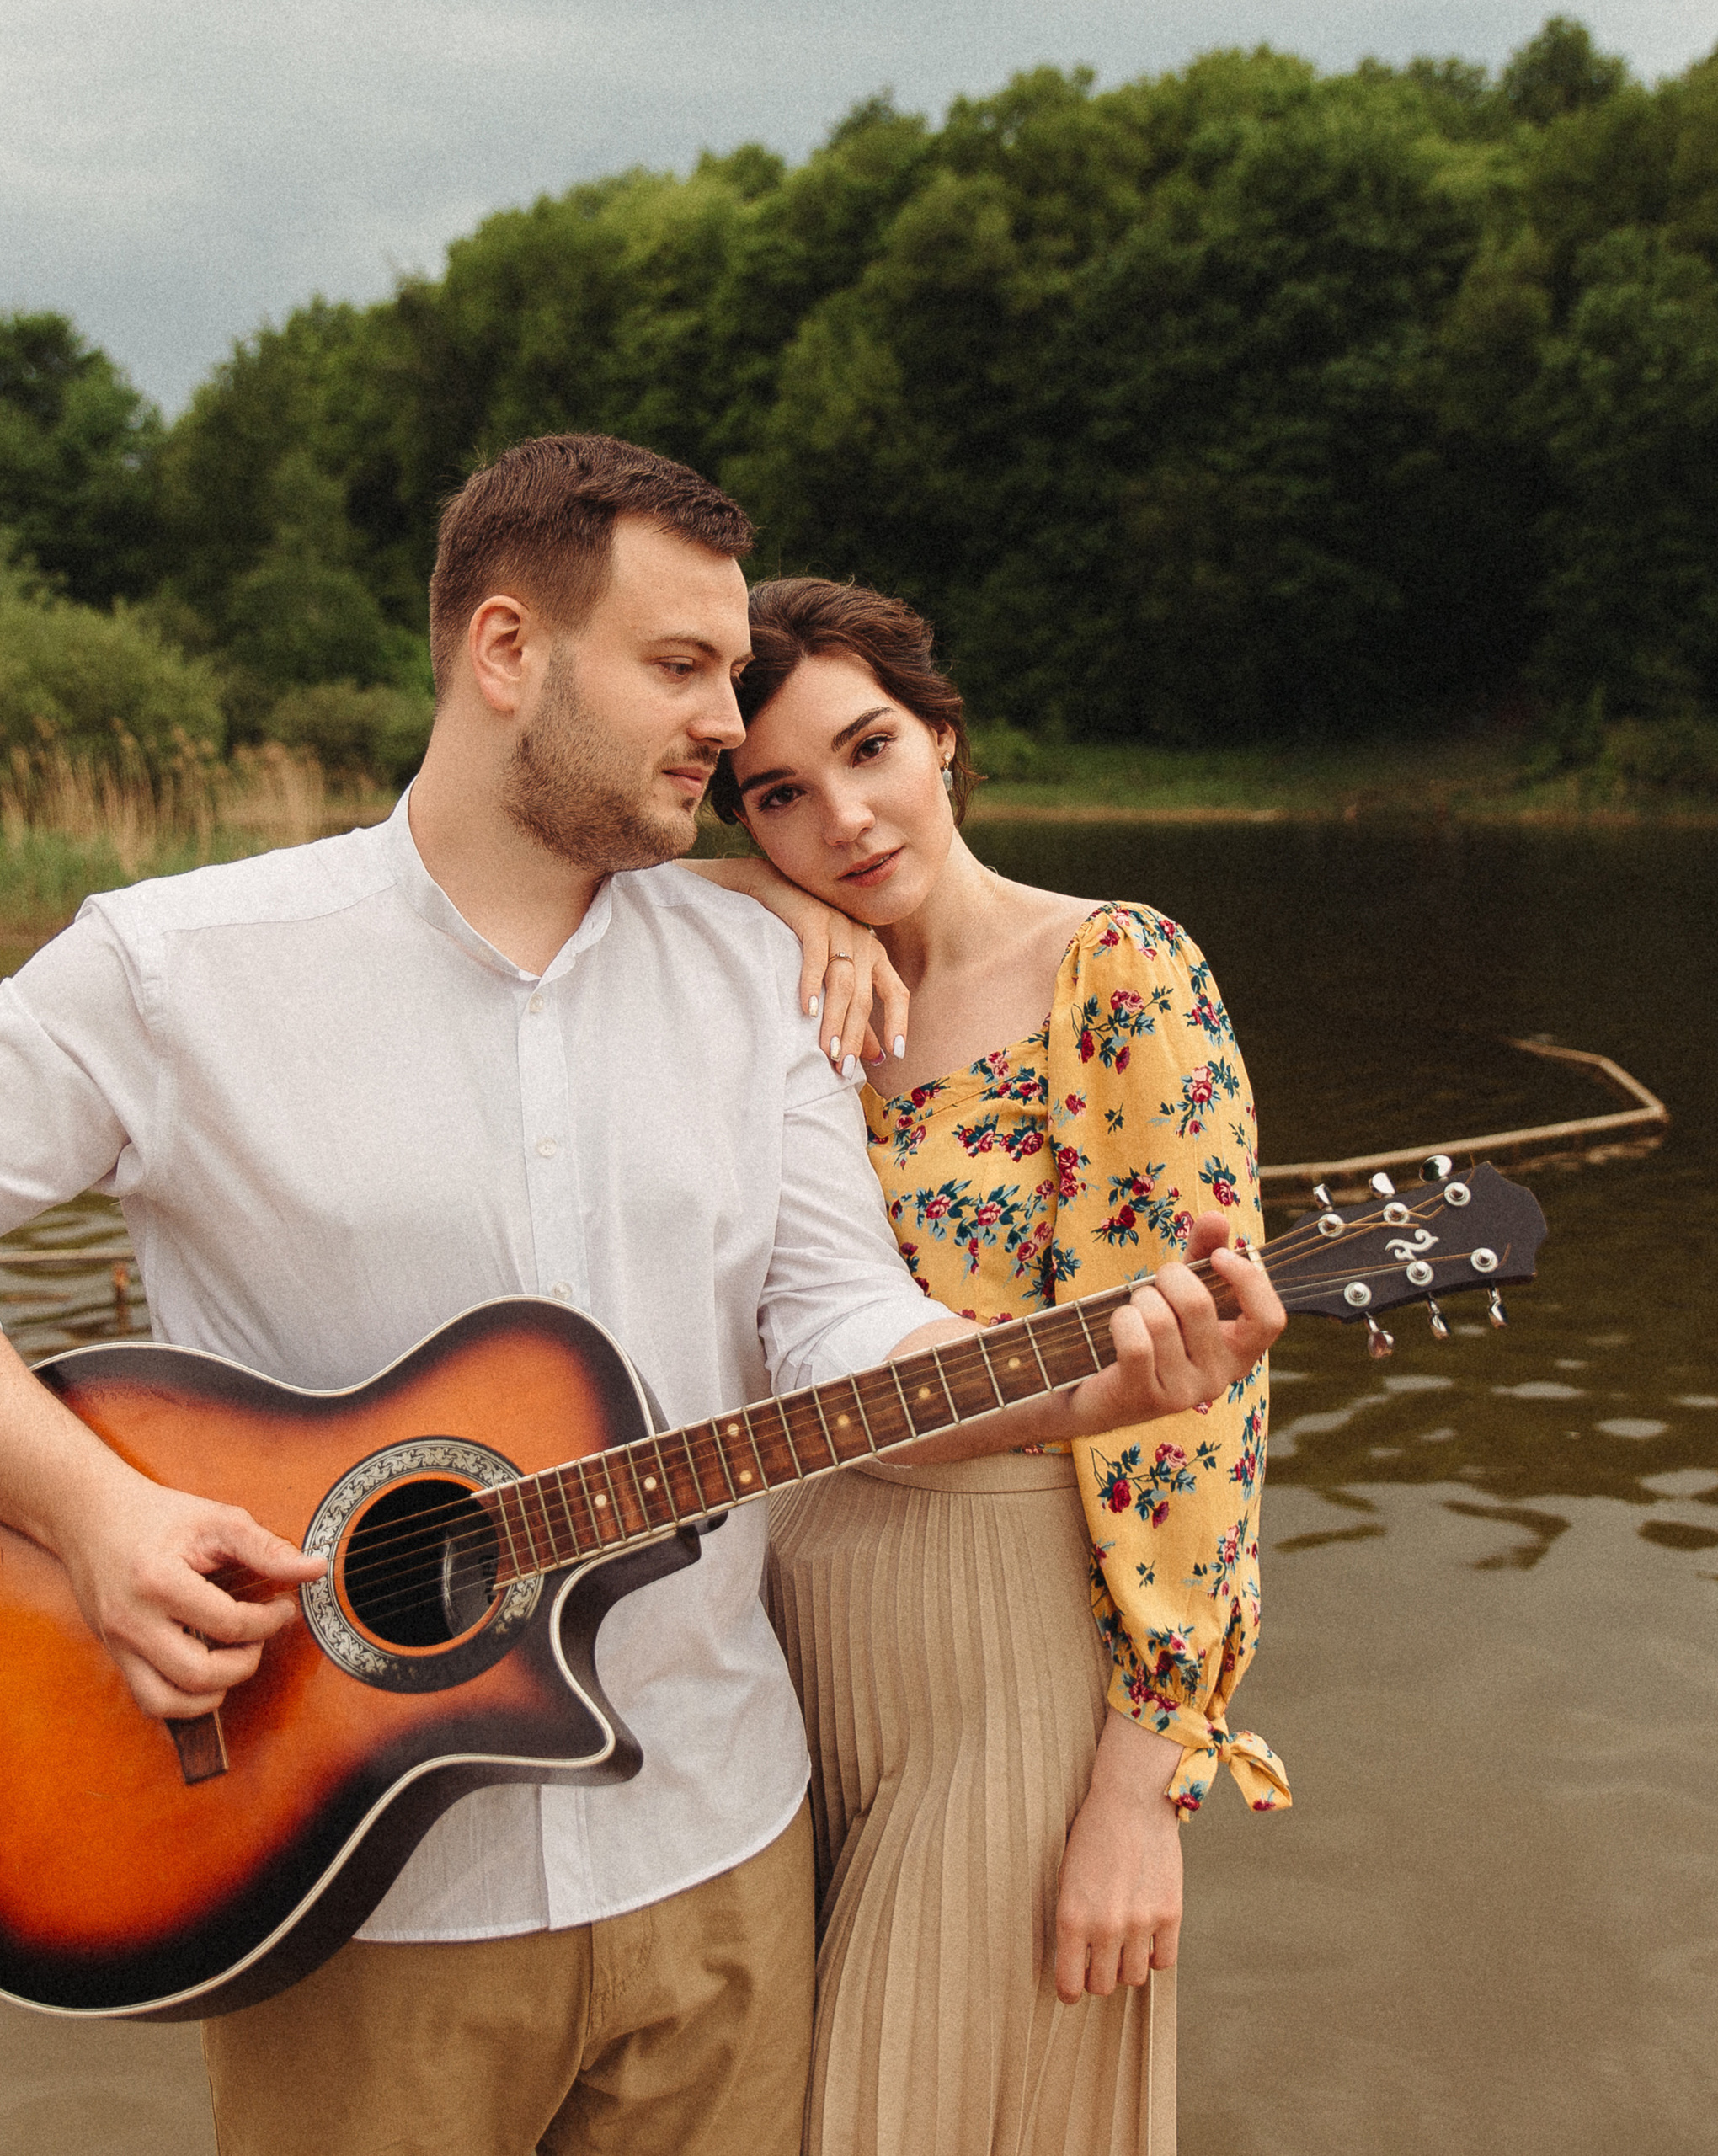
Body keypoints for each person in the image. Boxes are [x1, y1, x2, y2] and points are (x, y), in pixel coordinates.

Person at [0, 438, 1283, 2156]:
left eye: (728, 673)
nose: (719, 719)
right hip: (352, 1893)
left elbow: (838, 1329)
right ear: (508, 651)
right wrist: (89, 1512)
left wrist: (1085, 1384)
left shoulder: (760, 972)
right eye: (681, 667)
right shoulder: (173, 970)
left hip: (724, 1857)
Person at [692, 576, 1289, 2156]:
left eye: (871, 747)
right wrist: (776, 912)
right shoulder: (782, 996)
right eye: (780, 797)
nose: (846, 816)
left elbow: (1200, 1414)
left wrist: (1139, 1790)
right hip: (788, 1642)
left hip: (1002, 1647)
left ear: (944, 738)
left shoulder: (1114, 971)